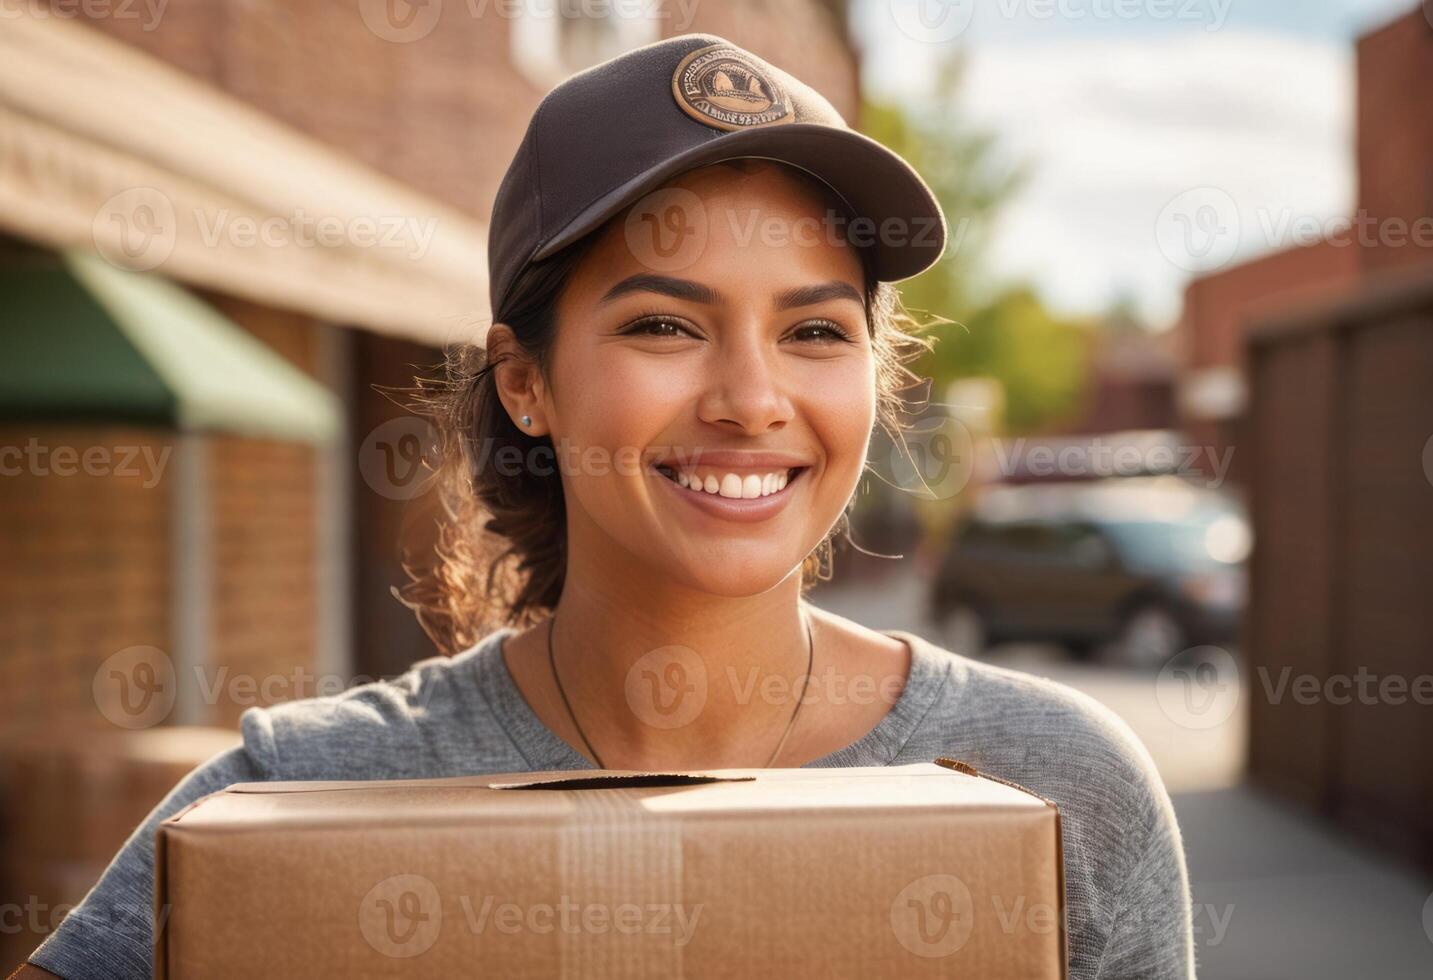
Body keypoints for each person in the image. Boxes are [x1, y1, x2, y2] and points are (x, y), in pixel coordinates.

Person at [19, 34, 1194, 980]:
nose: (749, 398)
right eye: (663, 325)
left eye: (815, 331)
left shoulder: (1055, 782)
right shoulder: (294, 800)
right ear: (525, 380)